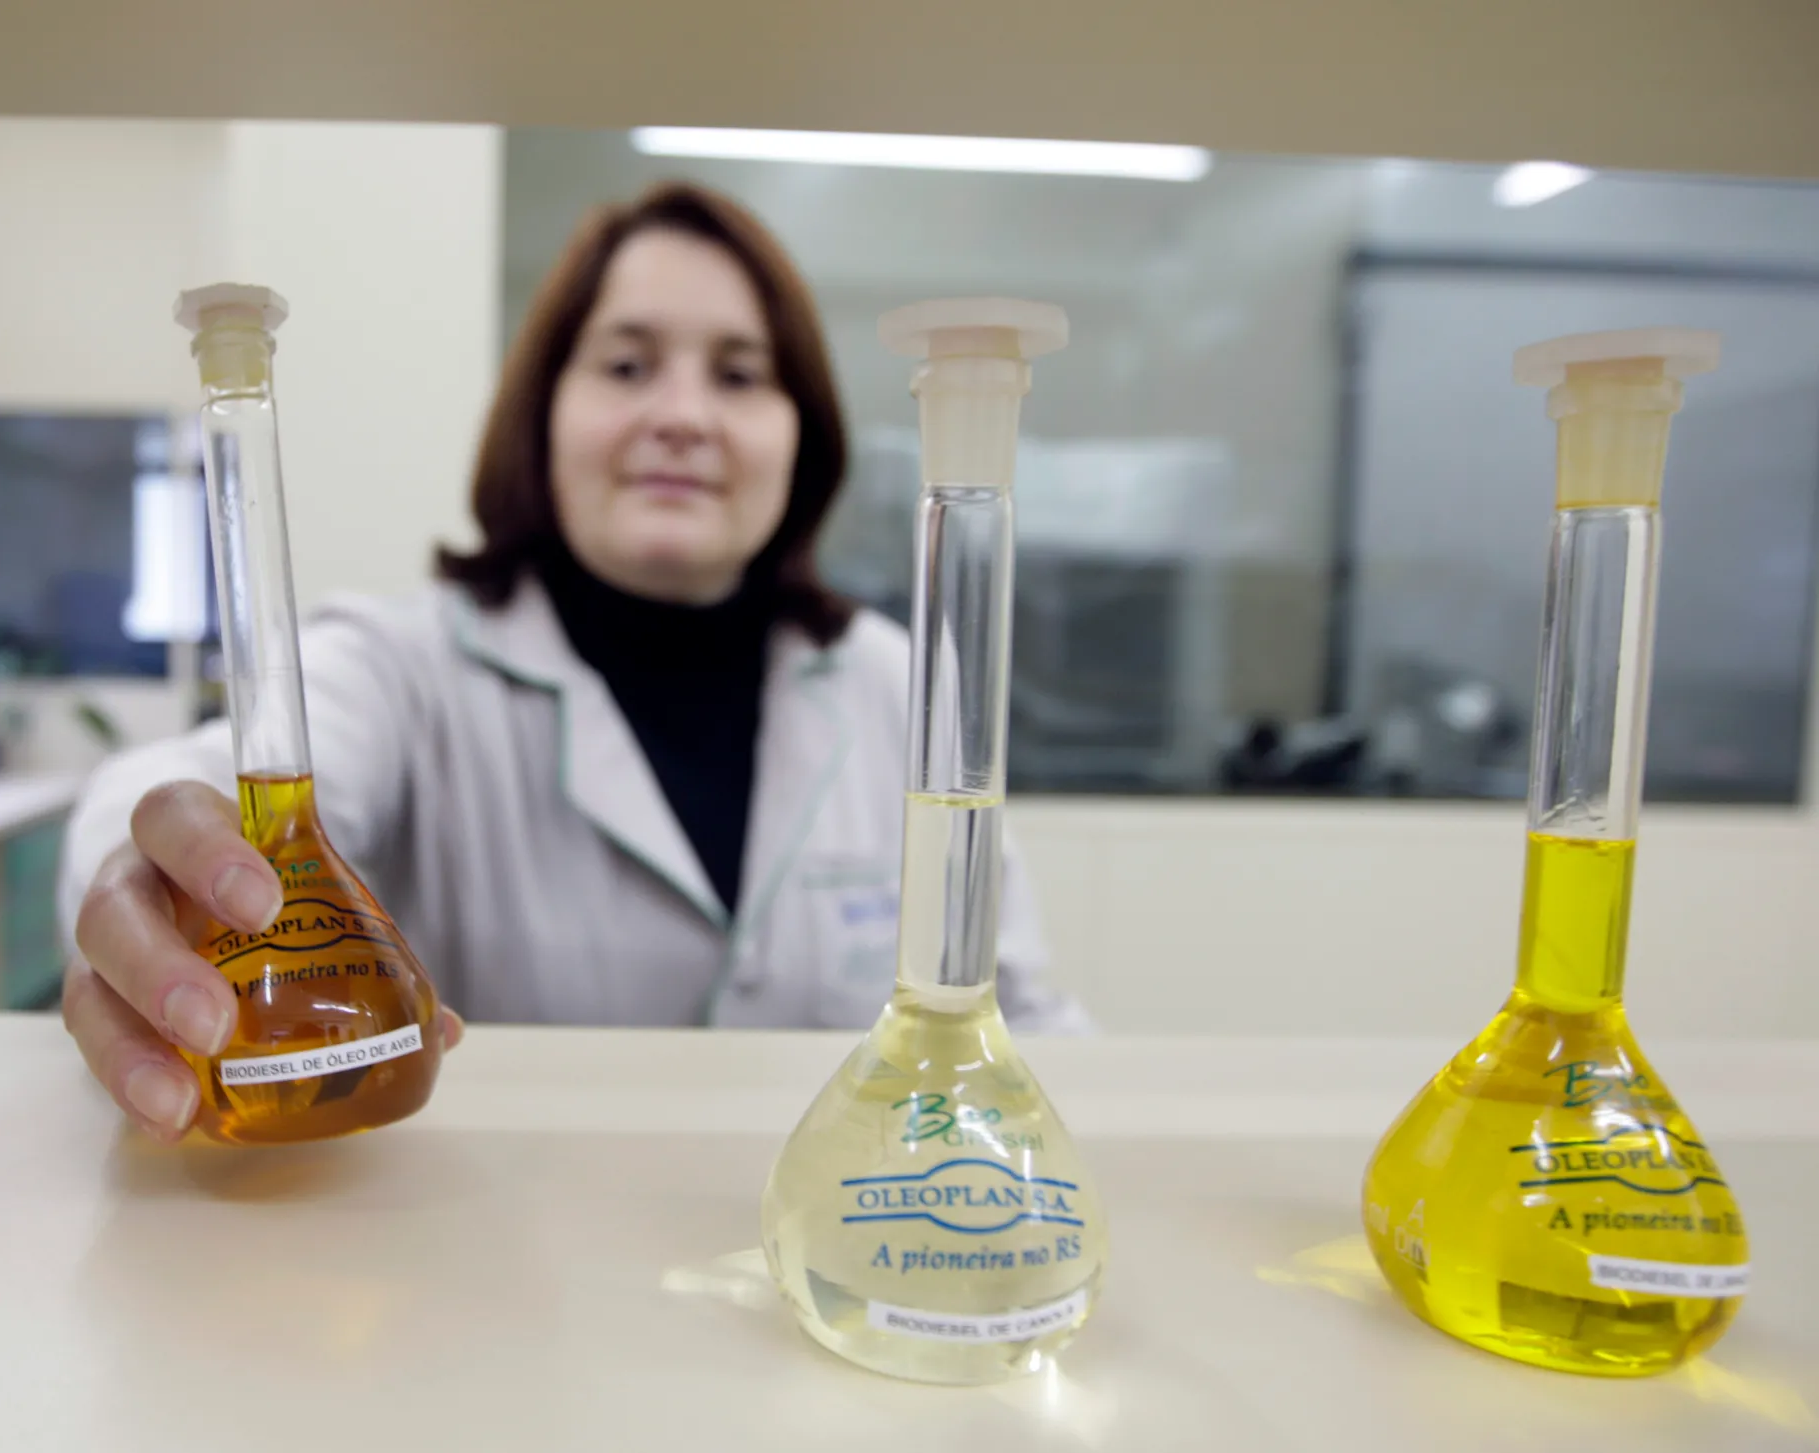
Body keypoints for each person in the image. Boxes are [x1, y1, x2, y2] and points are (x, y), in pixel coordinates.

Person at [58, 181, 1088, 1140]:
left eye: (738, 373)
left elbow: (1029, 1021)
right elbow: (157, 799)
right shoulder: (408, 668)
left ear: (802, 433)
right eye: (627, 365)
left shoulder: (894, 683)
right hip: (504, 1290)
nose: (682, 416)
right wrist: (151, 880)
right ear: (541, 412)